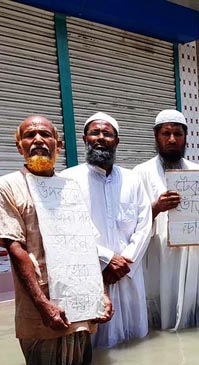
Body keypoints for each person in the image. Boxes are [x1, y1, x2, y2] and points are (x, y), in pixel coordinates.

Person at [0, 115, 113, 365]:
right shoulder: (6, 186)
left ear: (58, 145)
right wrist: (43, 304)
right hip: (41, 308)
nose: (37, 140)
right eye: (29, 135)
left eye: (45, 135)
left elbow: (86, 245)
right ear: (19, 146)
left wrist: (101, 293)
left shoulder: (71, 187)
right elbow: (15, 249)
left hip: (80, 305)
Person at [61, 112, 151, 346]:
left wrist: (125, 262)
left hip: (129, 273)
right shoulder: (68, 180)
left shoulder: (133, 179)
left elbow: (145, 224)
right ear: (84, 139)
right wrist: (106, 258)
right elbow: (68, 229)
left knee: (136, 340)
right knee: (96, 342)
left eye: (107, 134)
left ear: (117, 141)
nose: (100, 138)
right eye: (95, 133)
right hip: (91, 273)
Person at [133, 109, 199, 330]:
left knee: (195, 314)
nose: (172, 139)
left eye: (178, 134)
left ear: (186, 137)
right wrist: (156, 208)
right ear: (156, 136)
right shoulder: (140, 173)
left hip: (193, 254)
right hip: (159, 255)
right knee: (160, 312)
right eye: (166, 133)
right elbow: (130, 219)